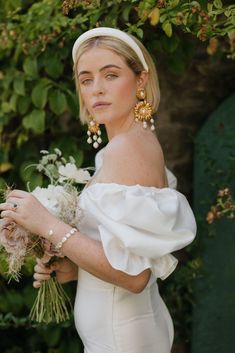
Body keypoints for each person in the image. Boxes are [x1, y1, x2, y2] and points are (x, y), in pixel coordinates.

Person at [0, 27, 197, 353]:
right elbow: (126, 259)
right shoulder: (122, 147)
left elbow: (135, 277)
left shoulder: (127, 149)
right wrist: (75, 267)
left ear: (141, 80)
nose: (96, 90)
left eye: (111, 75)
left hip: (122, 337)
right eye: (86, 79)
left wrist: (47, 223)